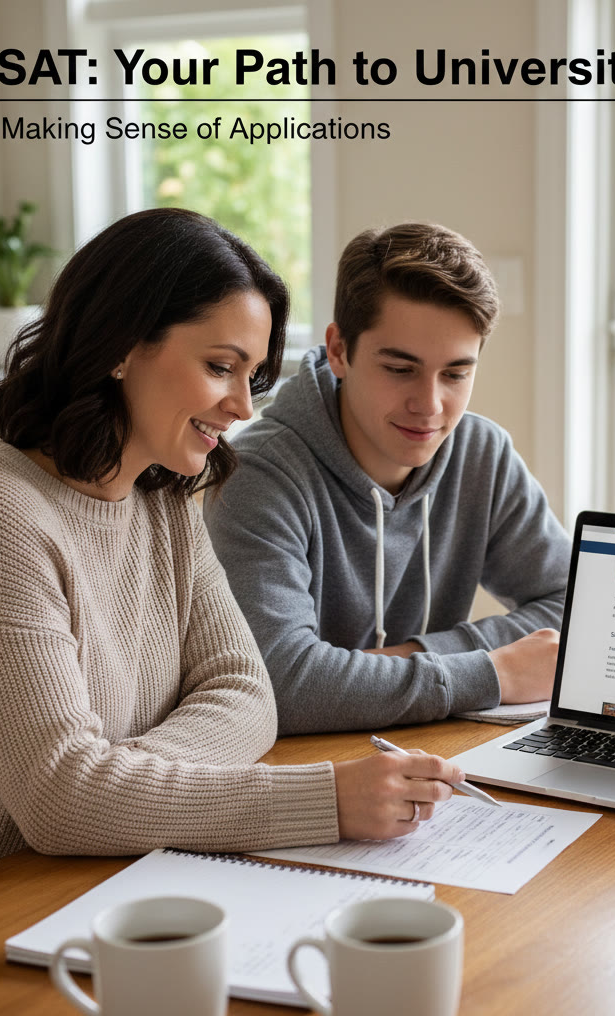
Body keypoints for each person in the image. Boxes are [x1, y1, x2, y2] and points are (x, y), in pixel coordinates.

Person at [0, 208, 461, 881]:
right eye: (222, 366)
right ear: (121, 346)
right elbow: (60, 800)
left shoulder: (162, 498)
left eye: (253, 376)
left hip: (123, 871)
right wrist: (325, 800)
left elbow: (249, 695)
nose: (244, 406)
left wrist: (120, 781)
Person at [204, 222, 571, 735]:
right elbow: (279, 684)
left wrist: (410, 657)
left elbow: (573, 608)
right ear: (338, 350)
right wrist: (496, 672)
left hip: (430, 750)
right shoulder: (258, 476)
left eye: (456, 374)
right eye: (400, 369)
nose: (430, 405)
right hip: (309, 771)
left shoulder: (480, 453)